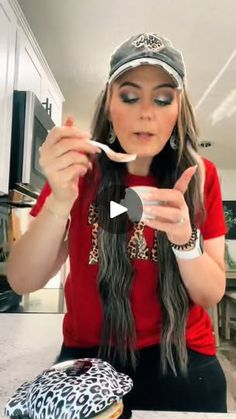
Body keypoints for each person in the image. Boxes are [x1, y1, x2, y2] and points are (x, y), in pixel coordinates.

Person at [7, 33, 228, 416]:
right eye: (129, 96)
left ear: (179, 111)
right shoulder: (78, 172)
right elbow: (22, 280)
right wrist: (61, 199)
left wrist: (182, 237)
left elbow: (211, 294)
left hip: (184, 360)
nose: (147, 112)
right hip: (89, 360)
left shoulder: (201, 176)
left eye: (162, 99)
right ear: (109, 105)